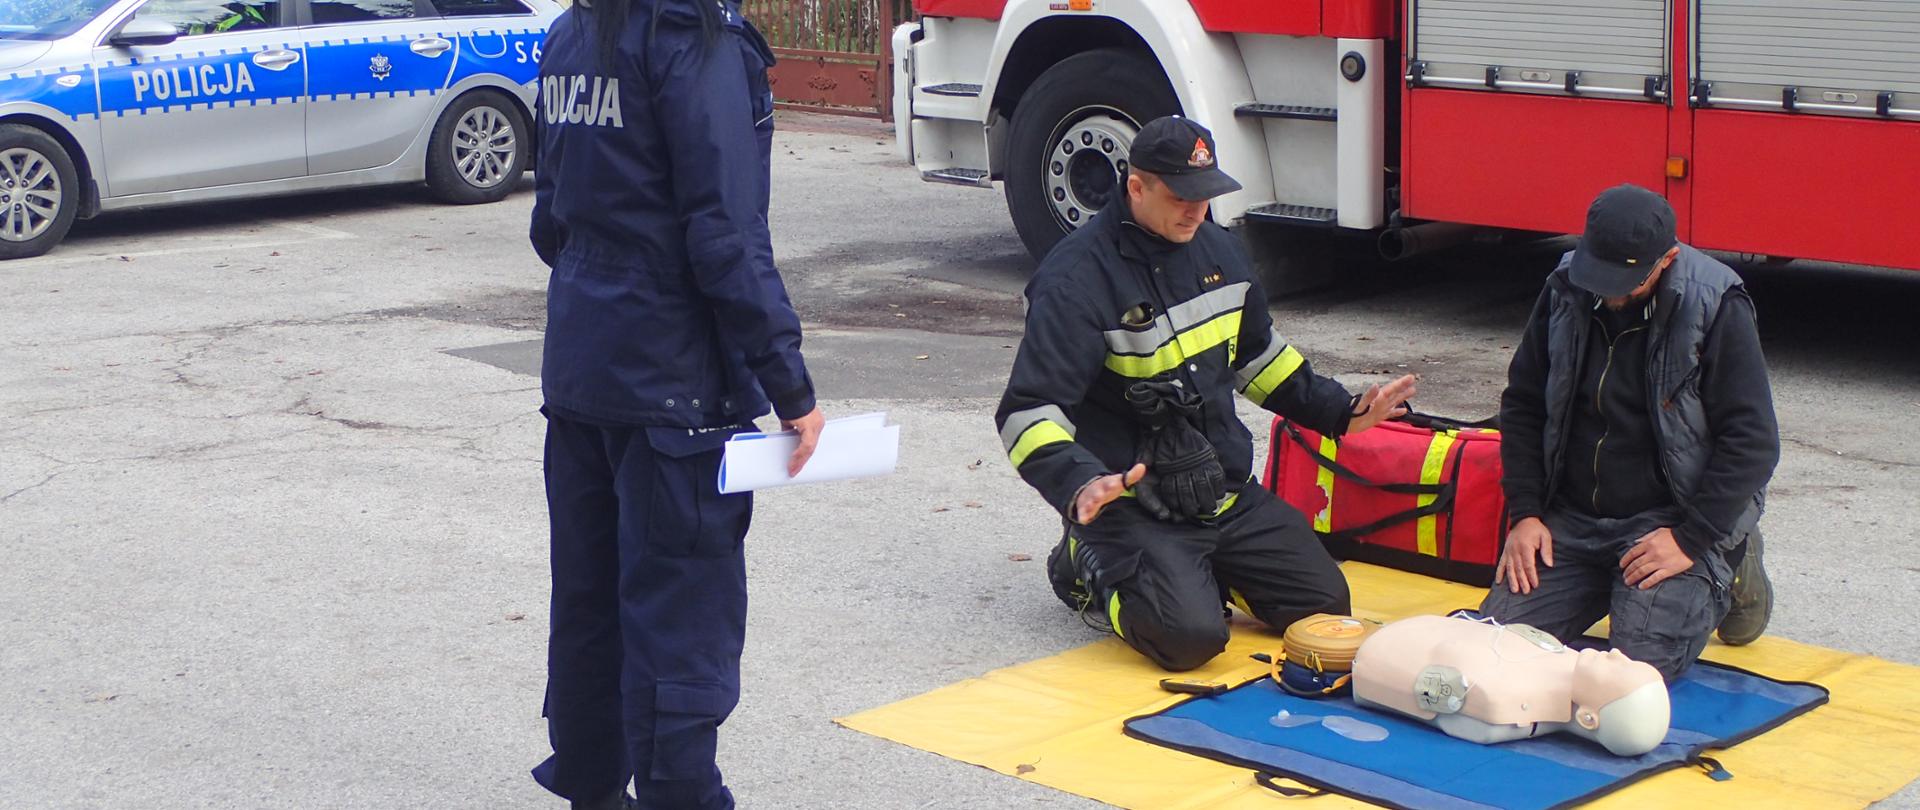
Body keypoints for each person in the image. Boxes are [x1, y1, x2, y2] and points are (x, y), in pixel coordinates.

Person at [527, 2, 822, 808]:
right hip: (674, 385)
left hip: (583, 366)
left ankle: (590, 782)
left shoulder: (574, 31)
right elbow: (725, 233)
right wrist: (789, 383)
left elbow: (550, 214)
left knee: (589, 596)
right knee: (680, 616)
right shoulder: (695, 42)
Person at [994, 115, 1417, 672]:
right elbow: (1028, 411)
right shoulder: (1075, 280)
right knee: (1189, 638)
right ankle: (1087, 564)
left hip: (1221, 490)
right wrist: (1080, 482)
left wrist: (1342, 412)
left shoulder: (1220, 252)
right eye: (1180, 197)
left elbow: (1260, 359)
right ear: (1136, 186)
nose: (1196, 210)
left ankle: (1198, 573)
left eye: (1206, 195)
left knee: (1321, 608)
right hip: (1134, 504)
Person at [1484, 184, 1777, 683]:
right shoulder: (1564, 288)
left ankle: (1734, 554)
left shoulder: (1716, 304)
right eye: (1600, 277)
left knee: (1629, 676)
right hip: (1572, 521)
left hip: (1670, 520)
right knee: (1492, 648)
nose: (1610, 293)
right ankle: (1605, 581)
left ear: (1667, 259)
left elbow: (1753, 441)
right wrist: (1527, 514)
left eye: (1626, 282)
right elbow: (1524, 404)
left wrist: (1692, 538)